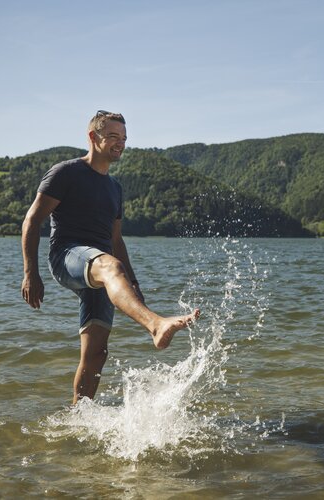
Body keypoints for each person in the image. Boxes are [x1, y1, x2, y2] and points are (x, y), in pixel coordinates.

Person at [21, 110, 200, 404]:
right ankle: (156, 325)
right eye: (113, 136)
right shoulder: (65, 173)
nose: (120, 144)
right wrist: (31, 273)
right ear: (93, 137)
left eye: (124, 138)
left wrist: (134, 283)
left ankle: (79, 420)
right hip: (68, 256)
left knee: (97, 353)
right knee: (108, 265)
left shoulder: (115, 188)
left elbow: (116, 241)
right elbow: (32, 221)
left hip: (105, 270)